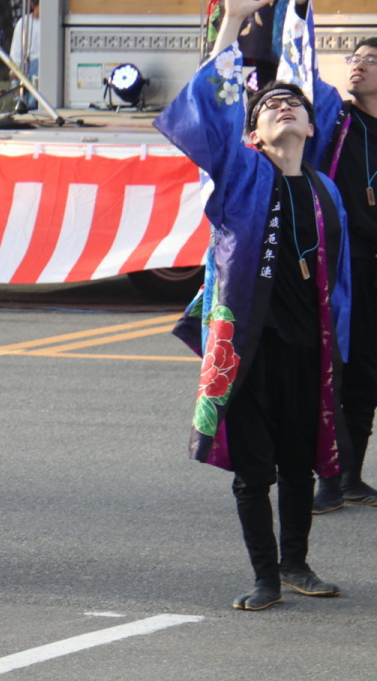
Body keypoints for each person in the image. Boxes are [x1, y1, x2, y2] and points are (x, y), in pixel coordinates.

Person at [157, 0, 352, 611]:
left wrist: (339, 350)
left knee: (300, 463)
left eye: (292, 102)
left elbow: (338, 285)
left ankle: (296, 562)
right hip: (248, 350)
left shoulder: (326, 193)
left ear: (312, 127)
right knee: (255, 470)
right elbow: (208, 105)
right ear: (252, 135)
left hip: (306, 349)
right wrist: (233, 20)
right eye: (268, 105)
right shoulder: (240, 172)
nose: (282, 105)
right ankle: (265, 575)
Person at [302, 31, 377, 513]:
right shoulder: (338, 120)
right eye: (355, 58)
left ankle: (352, 475)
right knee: (332, 367)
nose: (358, 65)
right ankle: (327, 477)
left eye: (371, 59)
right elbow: (303, 77)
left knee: (368, 374)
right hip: (340, 268)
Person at [9, 0, 40, 111]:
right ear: (34, 5)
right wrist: (15, 70)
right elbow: (16, 51)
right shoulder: (23, 23)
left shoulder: (52, 25)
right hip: (30, 67)